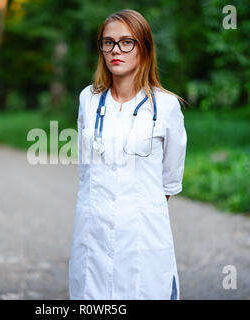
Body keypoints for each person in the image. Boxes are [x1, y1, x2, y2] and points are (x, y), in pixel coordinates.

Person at [68, 9, 188, 300]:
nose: (115, 50)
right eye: (107, 42)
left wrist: (133, 210)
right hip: (92, 234)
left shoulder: (167, 106)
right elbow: (87, 172)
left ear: (144, 48)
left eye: (126, 42)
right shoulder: (88, 99)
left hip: (141, 239)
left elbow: (169, 183)